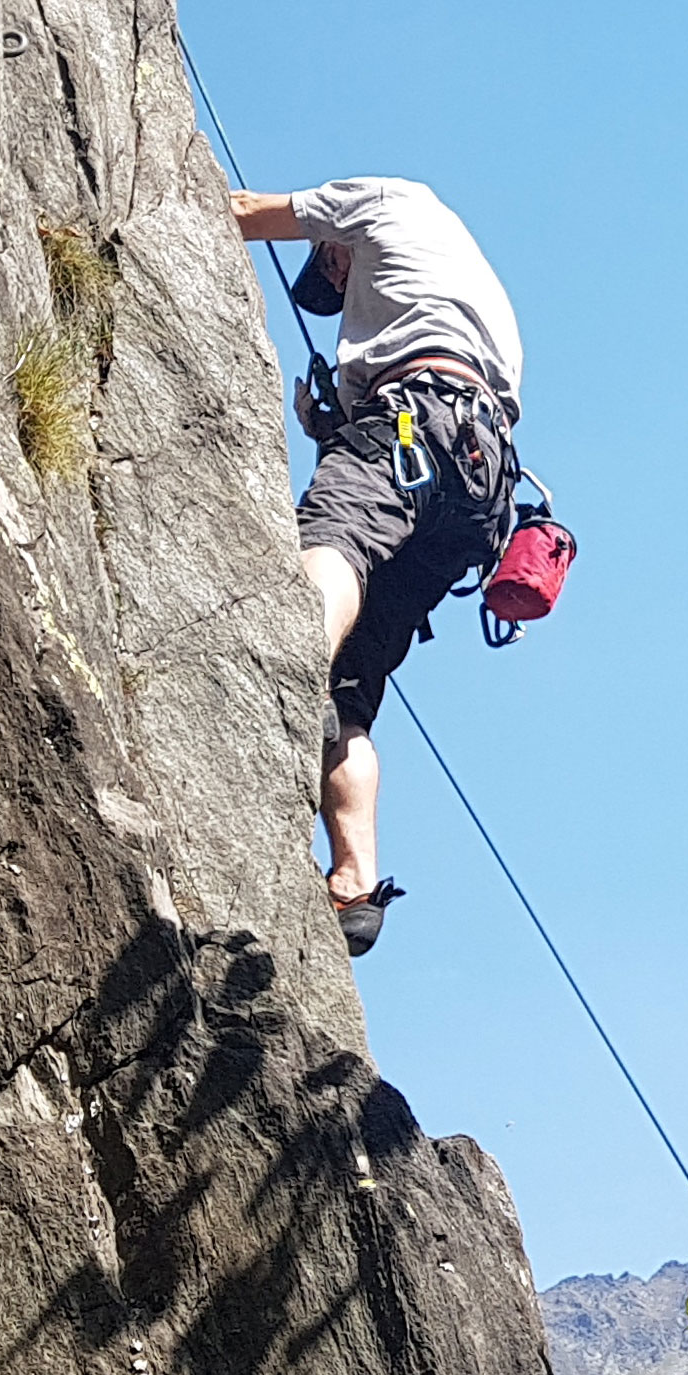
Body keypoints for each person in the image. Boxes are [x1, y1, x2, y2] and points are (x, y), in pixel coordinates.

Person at [228, 177, 525, 959]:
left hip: (415, 418)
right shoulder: (465, 278)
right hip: (481, 484)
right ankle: (355, 883)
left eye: (330, 270)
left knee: (332, 540)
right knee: (351, 695)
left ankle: (293, 662)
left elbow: (242, 212)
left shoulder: (380, 197)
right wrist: (334, 425)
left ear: (334, 239)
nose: (332, 282)